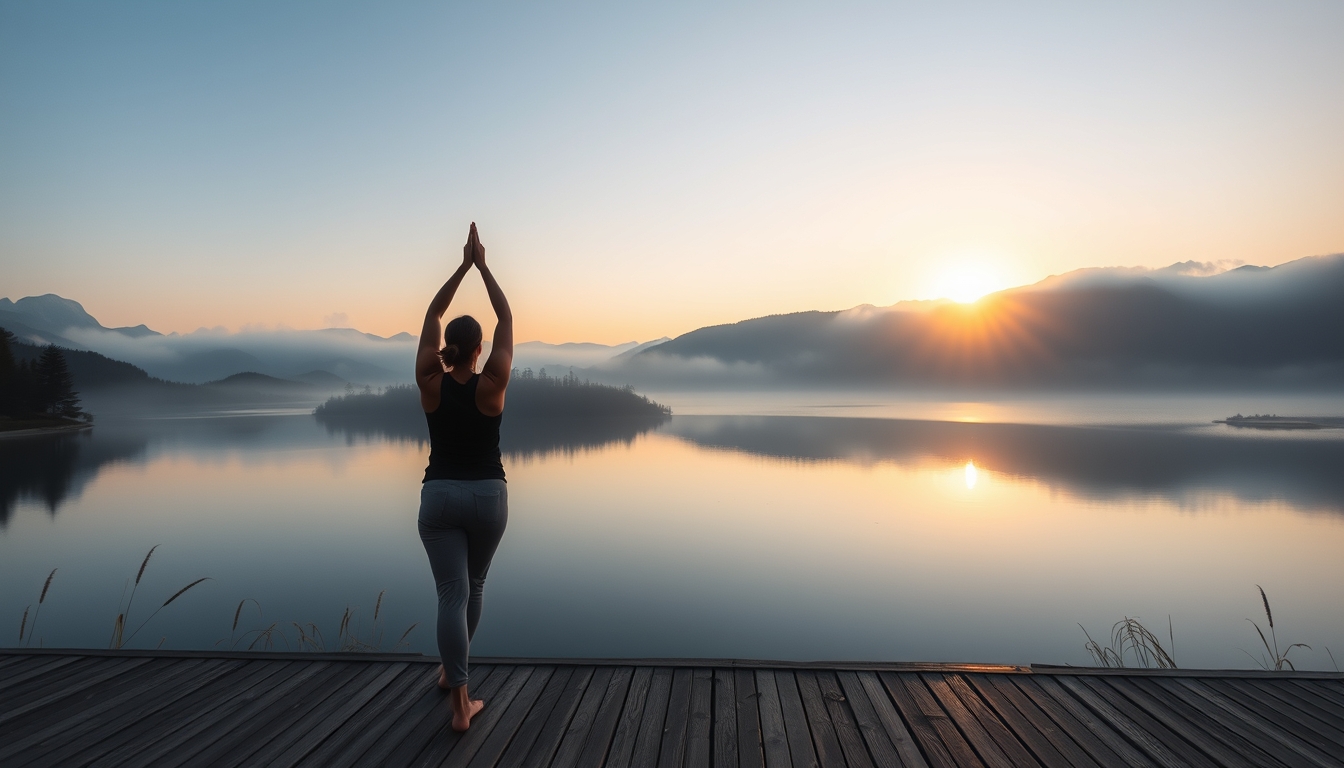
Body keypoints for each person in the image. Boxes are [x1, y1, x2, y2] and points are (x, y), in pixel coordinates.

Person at [414, 222, 512, 732]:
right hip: (488, 499)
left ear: (446, 348)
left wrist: (461, 265)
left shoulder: (430, 381)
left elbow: (432, 313)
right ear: (479, 351)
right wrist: (483, 264)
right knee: (473, 586)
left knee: (451, 594)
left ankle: (457, 696)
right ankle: (459, 690)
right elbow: (506, 317)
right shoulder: (491, 384)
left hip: (440, 498)